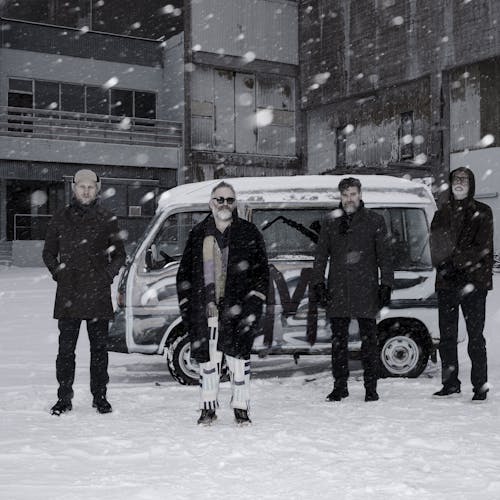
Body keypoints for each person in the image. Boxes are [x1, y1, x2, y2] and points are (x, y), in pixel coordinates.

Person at [176, 181, 269, 425]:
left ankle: (241, 408)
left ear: (234, 203)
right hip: (205, 310)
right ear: (211, 203)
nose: (224, 204)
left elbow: (261, 274)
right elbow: (184, 274)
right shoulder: (198, 234)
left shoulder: (249, 232)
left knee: (239, 362)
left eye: (229, 199)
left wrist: (254, 305)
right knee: (208, 363)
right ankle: (208, 408)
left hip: (238, 310)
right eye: (220, 199)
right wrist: (188, 306)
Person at [43, 169, 126, 415]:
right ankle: (64, 398)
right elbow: (48, 252)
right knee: (65, 351)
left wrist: (107, 275)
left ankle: (100, 397)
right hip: (68, 293)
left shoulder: (107, 218)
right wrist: (59, 273)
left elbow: (119, 254)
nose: (86, 190)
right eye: (82, 186)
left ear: (97, 189)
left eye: (91, 186)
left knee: (99, 351)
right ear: (74, 188)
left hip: (97, 294)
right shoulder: (60, 217)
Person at [311, 177, 394, 402]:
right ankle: (340, 386)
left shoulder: (374, 220)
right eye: (346, 195)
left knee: (370, 341)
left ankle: (371, 387)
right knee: (339, 342)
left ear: (360, 194)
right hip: (338, 289)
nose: (349, 199)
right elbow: (320, 256)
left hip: (366, 288)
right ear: (340, 196)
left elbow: (385, 257)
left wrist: (386, 285)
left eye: (353, 194)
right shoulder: (330, 221)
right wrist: (318, 283)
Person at [430, 167, 493, 402]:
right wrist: (444, 265)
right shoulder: (441, 213)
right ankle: (450, 384)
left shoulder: (483, 212)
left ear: (471, 184)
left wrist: (454, 262)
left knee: (476, 336)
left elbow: (482, 247)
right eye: (456, 179)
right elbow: (434, 244)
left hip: (474, 283)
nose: (459, 183)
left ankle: (480, 386)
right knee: (447, 337)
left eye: (464, 180)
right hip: (447, 283)